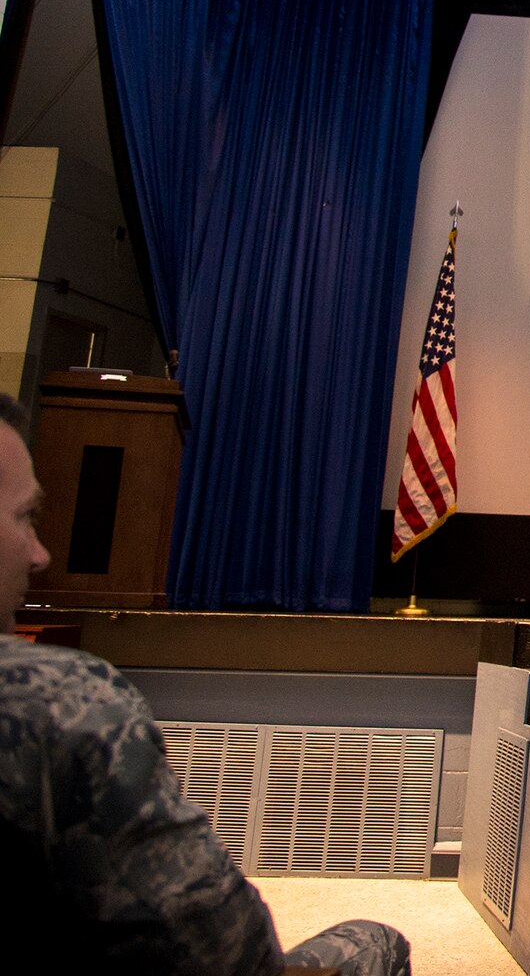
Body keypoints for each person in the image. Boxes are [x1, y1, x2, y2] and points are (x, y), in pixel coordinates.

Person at [0, 391, 412, 976]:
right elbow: (229, 952)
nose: (41, 554)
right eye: (24, 517)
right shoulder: (62, 703)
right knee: (377, 942)